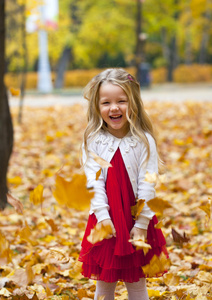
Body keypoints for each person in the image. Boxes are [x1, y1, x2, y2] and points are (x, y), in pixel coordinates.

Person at [79, 68, 168, 300]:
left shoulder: (143, 140)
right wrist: (104, 219)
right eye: (106, 102)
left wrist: (141, 224)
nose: (114, 108)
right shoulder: (93, 140)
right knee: (104, 283)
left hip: (136, 218)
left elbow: (148, 185)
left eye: (121, 101)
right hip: (105, 218)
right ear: (97, 107)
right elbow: (93, 183)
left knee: (136, 282)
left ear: (134, 104)